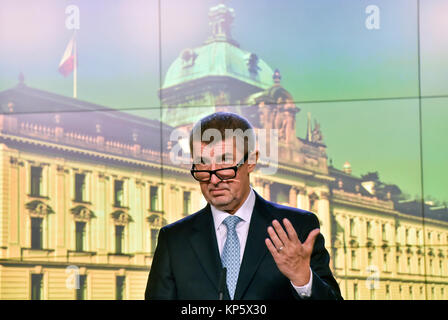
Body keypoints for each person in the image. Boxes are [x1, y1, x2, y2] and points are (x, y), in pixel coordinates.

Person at [145, 112, 342, 300]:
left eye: (225, 163)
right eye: (203, 164)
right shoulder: (174, 239)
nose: (213, 179)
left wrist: (303, 279)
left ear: (251, 161)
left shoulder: (297, 227)